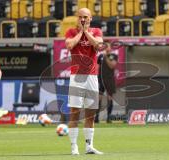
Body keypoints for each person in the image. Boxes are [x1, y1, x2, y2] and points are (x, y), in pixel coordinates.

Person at [65, 8, 103, 155]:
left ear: (90, 18)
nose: (83, 19)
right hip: (76, 77)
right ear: (77, 18)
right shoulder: (71, 32)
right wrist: (81, 32)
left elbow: (98, 46)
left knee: (90, 113)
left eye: (85, 17)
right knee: (74, 112)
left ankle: (89, 146)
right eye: (80, 17)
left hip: (92, 77)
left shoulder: (97, 31)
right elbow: (69, 45)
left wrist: (87, 32)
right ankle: (74, 146)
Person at [95, 43, 118, 123]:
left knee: (109, 98)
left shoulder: (113, 56)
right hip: (101, 79)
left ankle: (108, 118)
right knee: (99, 98)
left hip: (109, 80)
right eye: (104, 46)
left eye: (107, 46)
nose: (106, 47)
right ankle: (96, 118)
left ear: (110, 47)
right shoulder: (100, 56)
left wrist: (106, 57)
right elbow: (97, 66)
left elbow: (112, 65)